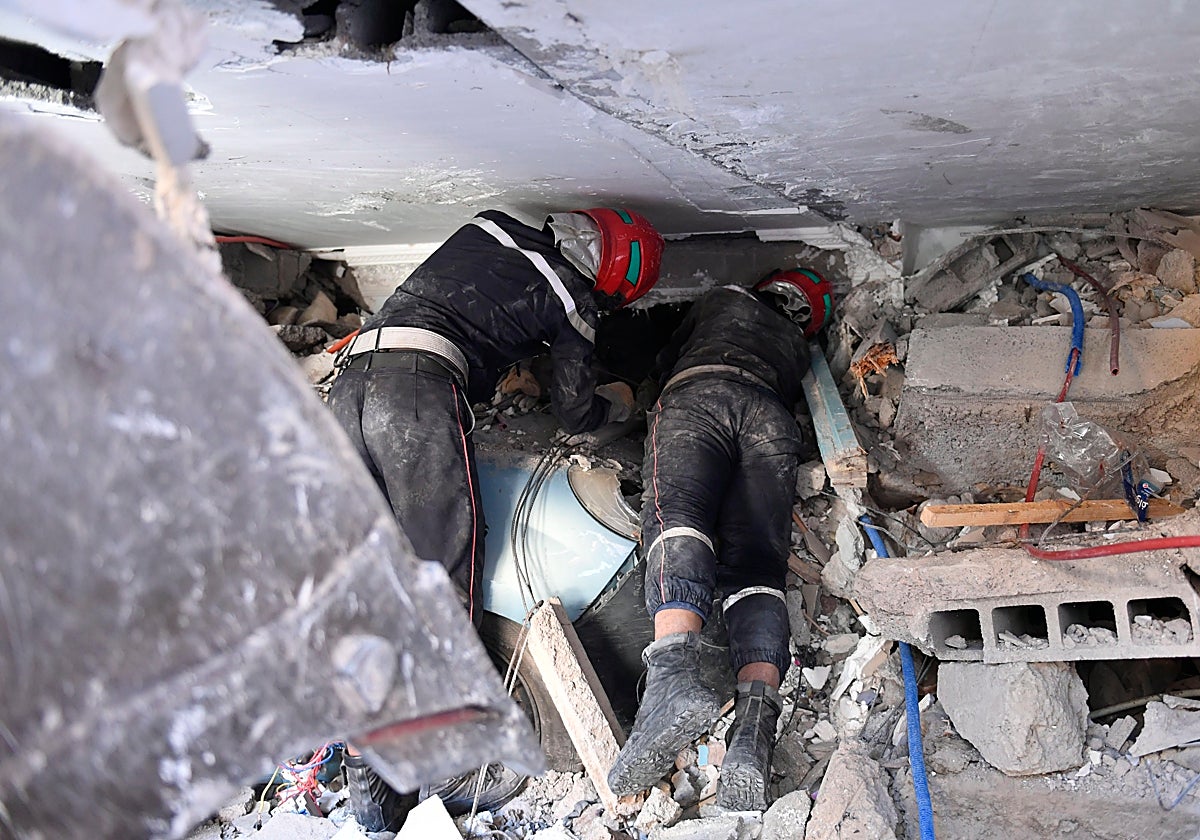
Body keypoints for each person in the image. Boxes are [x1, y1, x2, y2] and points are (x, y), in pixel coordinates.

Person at [326, 207, 664, 830]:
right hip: (418, 394)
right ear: (616, 280)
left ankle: (356, 760)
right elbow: (575, 411)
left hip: (348, 388)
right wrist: (620, 405)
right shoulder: (576, 300)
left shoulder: (491, 226)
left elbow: (477, 308)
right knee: (449, 567)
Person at [607, 268, 835, 812]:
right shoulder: (797, 347)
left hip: (697, 397)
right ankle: (754, 728)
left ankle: (672, 679)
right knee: (757, 567)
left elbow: (660, 366)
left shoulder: (721, 300)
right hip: (770, 418)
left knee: (678, 519)